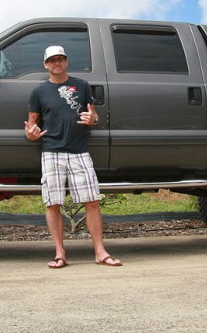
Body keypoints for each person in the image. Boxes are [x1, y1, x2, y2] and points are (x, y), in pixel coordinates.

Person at [24, 45, 122, 269]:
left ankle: (100, 252)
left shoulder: (82, 85)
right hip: (51, 152)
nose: (56, 63)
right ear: (46, 64)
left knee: (93, 202)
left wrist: (93, 120)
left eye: (60, 59)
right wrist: (30, 134)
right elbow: (31, 125)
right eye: (52, 60)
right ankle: (60, 254)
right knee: (53, 204)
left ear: (66, 61)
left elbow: (94, 115)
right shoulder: (39, 92)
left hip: (79, 151)